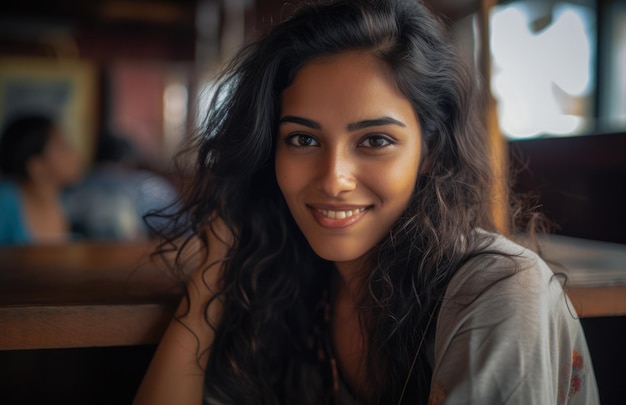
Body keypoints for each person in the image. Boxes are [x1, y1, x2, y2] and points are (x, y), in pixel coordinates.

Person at [134, 1, 599, 404]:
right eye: (302, 138)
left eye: (375, 140)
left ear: (430, 152)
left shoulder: (499, 291)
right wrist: (207, 288)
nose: (334, 178)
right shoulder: (282, 285)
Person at [0, 114, 81, 244]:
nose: (74, 154)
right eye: (62, 146)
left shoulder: (66, 202)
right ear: (36, 166)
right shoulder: (5, 203)